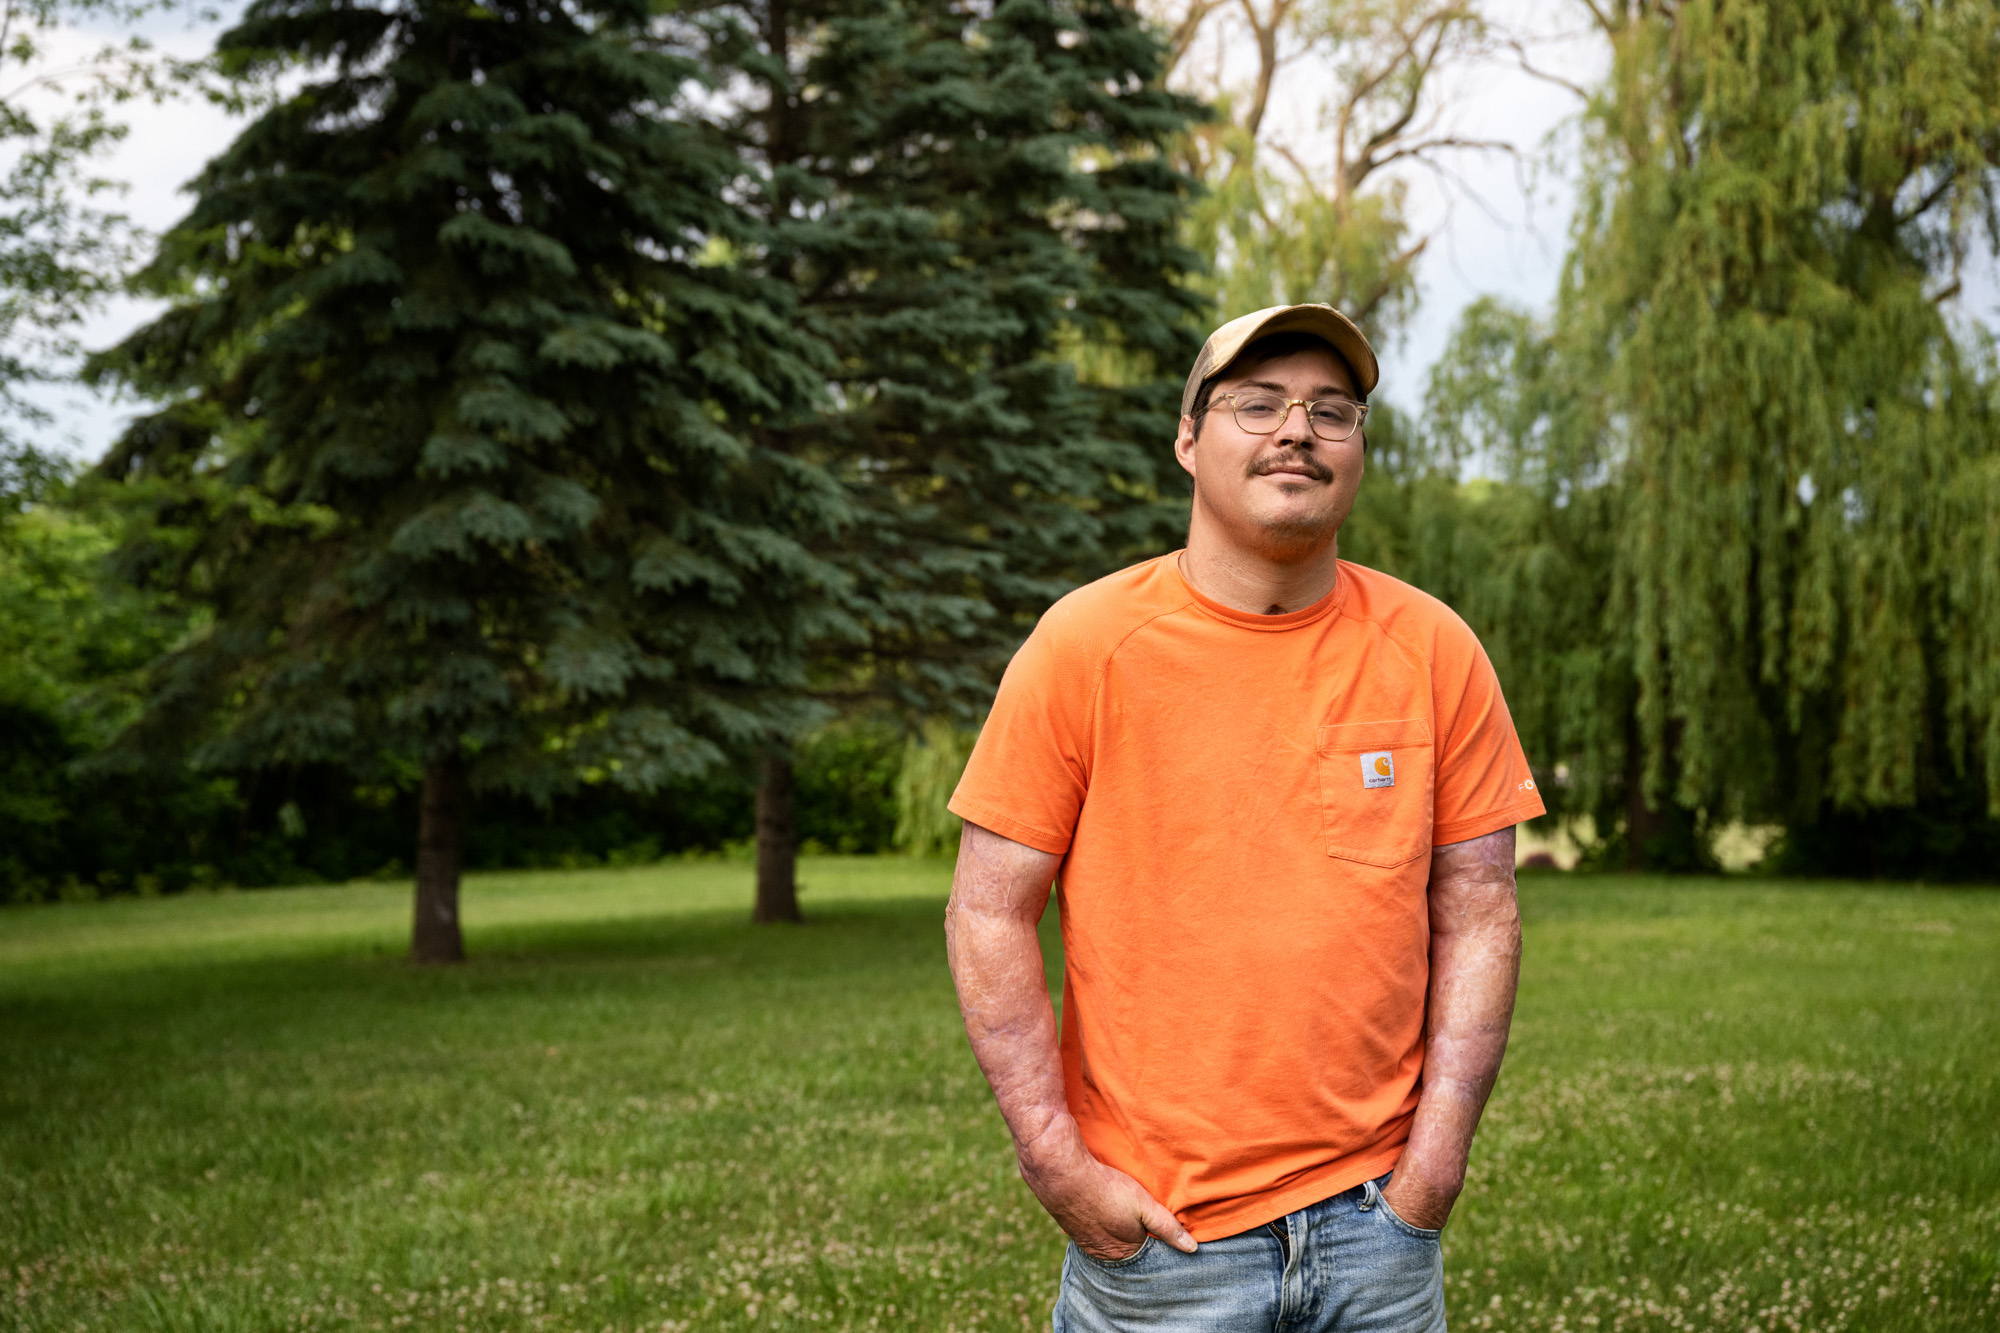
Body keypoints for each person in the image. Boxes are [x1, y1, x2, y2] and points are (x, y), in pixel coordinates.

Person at [943, 303, 1546, 1331]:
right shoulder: (1083, 645)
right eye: (1254, 403)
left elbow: (1482, 910)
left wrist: (1431, 1171)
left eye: (1331, 410)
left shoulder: (1434, 649)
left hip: (1378, 1236)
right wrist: (1055, 1160)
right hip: (1161, 1243)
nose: (1296, 429)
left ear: (1356, 448)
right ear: (1187, 440)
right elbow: (987, 909)